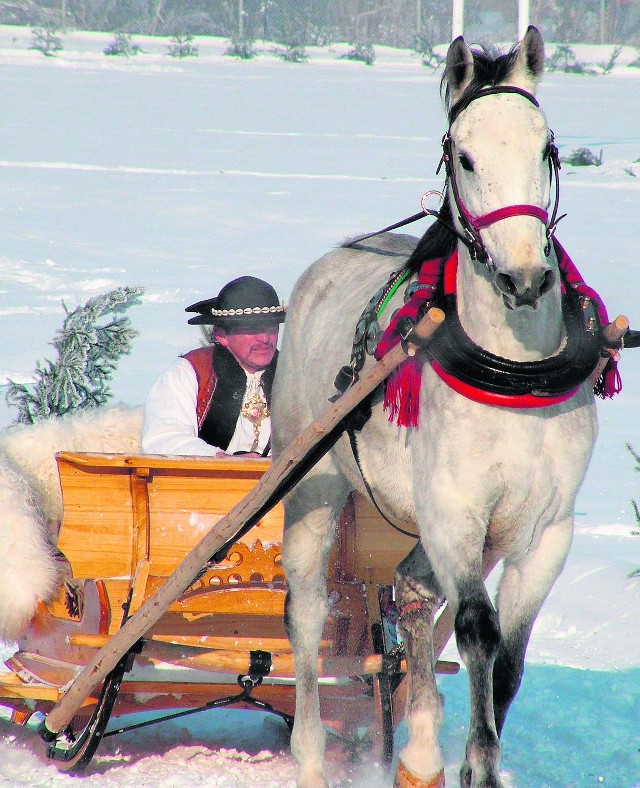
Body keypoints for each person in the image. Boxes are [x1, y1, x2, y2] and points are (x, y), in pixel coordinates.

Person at [141, 276, 285, 458]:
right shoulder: (190, 372)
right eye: (251, 329)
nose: (264, 338)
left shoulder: (294, 375)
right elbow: (163, 440)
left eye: (271, 327)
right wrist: (222, 460)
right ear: (221, 336)